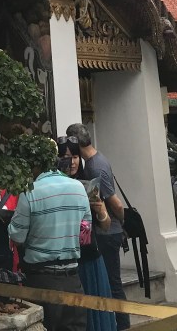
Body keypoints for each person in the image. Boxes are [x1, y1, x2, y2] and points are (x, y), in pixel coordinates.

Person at [9, 142, 90, 331]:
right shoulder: (79, 188)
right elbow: (85, 236)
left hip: (41, 279)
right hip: (73, 280)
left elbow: (17, 236)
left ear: (35, 166)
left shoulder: (30, 191)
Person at [66, 124, 129, 331]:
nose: (72, 161)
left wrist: (121, 222)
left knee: (112, 284)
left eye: (74, 155)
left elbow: (115, 203)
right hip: (98, 236)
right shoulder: (93, 163)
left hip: (105, 234)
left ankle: (122, 324)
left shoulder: (95, 167)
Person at [59, 138, 116, 331]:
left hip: (90, 258)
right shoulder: (56, 187)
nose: (72, 162)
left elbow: (106, 225)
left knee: (96, 314)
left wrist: (100, 210)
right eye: (66, 157)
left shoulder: (89, 185)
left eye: (75, 156)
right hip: (65, 262)